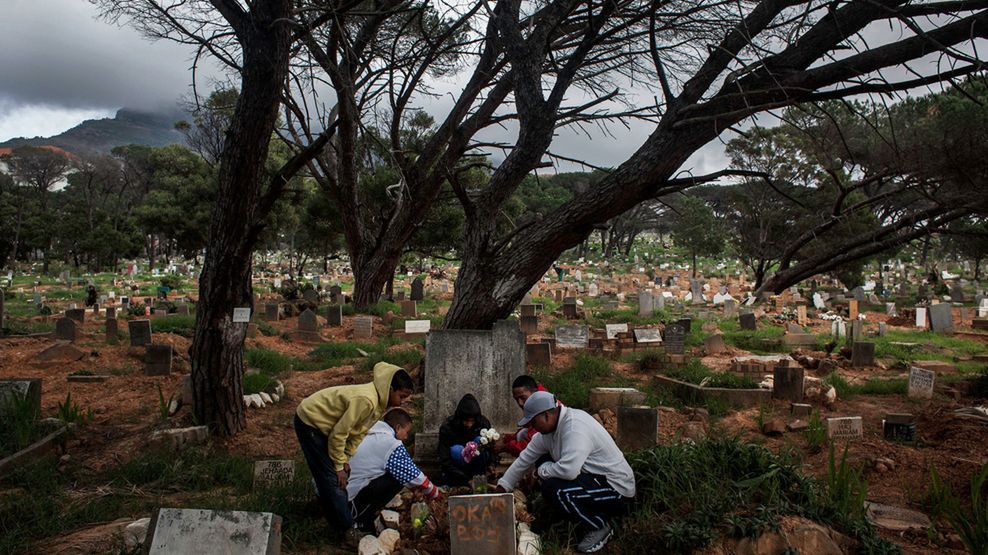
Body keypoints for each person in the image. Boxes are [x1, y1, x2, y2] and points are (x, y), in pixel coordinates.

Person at [496, 391, 635, 553]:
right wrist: (502, 488)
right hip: (594, 480)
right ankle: (574, 516)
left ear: (546, 415)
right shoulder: (548, 433)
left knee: (556, 488)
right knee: (543, 463)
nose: (532, 427)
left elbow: (569, 471)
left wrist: (540, 472)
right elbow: (523, 460)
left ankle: (598, 526)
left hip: (616, 490)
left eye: (533, 421)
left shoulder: (575, 427)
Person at [294, 362, 414, 531]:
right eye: (401, 396)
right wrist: (338, 466)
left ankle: (324, 512)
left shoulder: (379, 404)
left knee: (335, 476)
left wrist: (346, 458)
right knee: (333, 478)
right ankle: (346, 530)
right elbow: (339, 434)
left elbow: (358, 432)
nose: (401, 403)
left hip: (326, 426)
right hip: (310, 420)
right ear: (390, 389)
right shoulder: (367, 400)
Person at [347, 408, 441, 532]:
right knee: (397, 480)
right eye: (406, 432)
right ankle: (360, 518)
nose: (406, 437)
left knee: (397, 475)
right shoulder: (391, 443)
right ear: (397, 428)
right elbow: (414, 476)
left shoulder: (372, 430)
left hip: (342, 486)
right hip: (351, 498)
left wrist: (414, 489)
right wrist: (435, 494)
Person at [437, 393, 493, 487]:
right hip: (457, 469)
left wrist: (491, 465)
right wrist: (466, 480)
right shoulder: (448, 427)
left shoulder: (483, 424)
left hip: (477, 467)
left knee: (480, 441)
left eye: (472, 421)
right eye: (466, 421)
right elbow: (444, 459)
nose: (469, 425)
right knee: (456, 450)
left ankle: (478, 478)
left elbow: (490, 450)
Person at [496, 375, 554, 457]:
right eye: (516, 399)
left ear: (534, 393)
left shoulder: (543, 407)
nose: (520, 403)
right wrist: (506, 438)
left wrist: (505, 447)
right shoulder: (537, 401)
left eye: (523, 398)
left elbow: (530, 444)